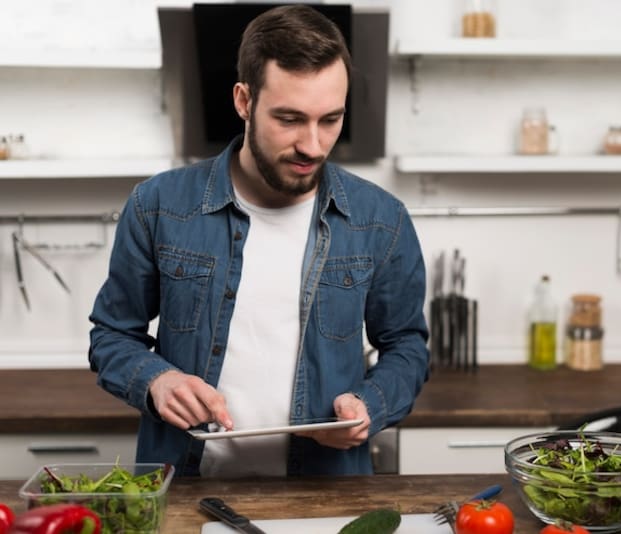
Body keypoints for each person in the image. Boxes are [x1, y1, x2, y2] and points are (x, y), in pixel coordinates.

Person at [88, 5, 429, 477]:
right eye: (289, 119)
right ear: (244, 101)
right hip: (186, 488)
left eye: (330, 119)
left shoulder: (381, 219)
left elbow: (407, 345)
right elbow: (111, 334)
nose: (313, 144)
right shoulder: (157, 205)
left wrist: (370, 404)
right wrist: (157, 380)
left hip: (325, 494)